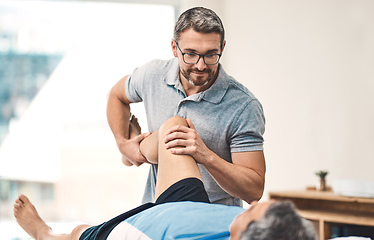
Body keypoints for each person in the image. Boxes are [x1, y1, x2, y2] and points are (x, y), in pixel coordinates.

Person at [14, 116, 316, 240]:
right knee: (175, 128)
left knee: (80, 232)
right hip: (190, 205)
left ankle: (44, 233)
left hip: (151, 226)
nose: (248, 206)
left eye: (251, 213)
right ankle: (135, 151)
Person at [106, 6, 266, 206]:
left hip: (211, 223)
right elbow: (116, 95)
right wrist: (123, 143)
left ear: (222, 48)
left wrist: (205, 155)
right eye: (190, 54)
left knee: (174, 127)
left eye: (211, 54)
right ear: (174, 48)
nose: (200, 65)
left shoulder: (243, 106)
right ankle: (133, 153)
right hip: (157, 214)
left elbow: (254, 190)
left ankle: (135, 153)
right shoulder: (153, 75)